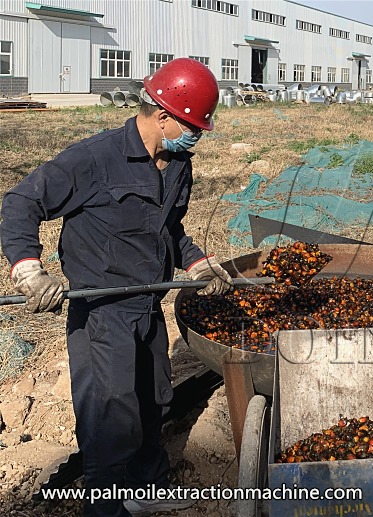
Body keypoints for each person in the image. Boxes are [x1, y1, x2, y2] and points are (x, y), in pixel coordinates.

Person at [1, 58, 235, 516]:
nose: (198, 136)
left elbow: (169, 229)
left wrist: (198, 261)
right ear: (162, 114)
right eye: (193, 126)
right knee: (110, 415)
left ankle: (148, 488)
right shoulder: (94, 159)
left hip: (148, 305)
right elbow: (20, 201)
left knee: (152, 402)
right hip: (102, 310)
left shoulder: (177, 163)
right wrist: (30, 270)